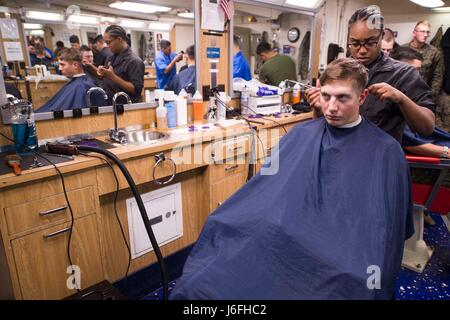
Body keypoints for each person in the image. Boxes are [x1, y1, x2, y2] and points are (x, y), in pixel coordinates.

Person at [170, 58, 413, 300]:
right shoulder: (301, 133)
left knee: (354, 280)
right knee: (214, 242)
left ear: (362, 97)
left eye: (342, 98)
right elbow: (265, 191)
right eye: (326, 96)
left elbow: (386, 227)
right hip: (285, 230)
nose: (331, 107)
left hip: (343, 247)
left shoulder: (386, 151)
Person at [306, 6, 435, 143]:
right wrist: (319, 109)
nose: (361, 50)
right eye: (355, 43)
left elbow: (427, 127)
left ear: (381, 37)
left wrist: (401, 99)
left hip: (379, 158)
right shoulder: (339, 70)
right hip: (339, 153)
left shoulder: (403, 74)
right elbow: (323, 128)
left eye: (370, 43)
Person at [36, 49, 107, 112]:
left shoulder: (82, 86)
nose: (60, 69)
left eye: (62, 65)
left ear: (75, 65)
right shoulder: (77, 83)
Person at [97, 25, 145, 103]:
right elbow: (106, 76)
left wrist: (113, 77)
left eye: (109, 42)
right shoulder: (110, 57)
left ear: (119, 39)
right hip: (111, 104)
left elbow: (136, 90)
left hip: (127, 108)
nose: (107, 46)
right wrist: (102, 73)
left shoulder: (134, 61)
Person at [402, 21, 444, 100]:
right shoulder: (403, 49)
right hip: (404, 91)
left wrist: (431, 96)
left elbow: (438, 76)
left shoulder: (434, 52)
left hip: (423, 94)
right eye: (422, 31)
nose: (425, 35)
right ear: (414, 33)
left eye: (427, 32)